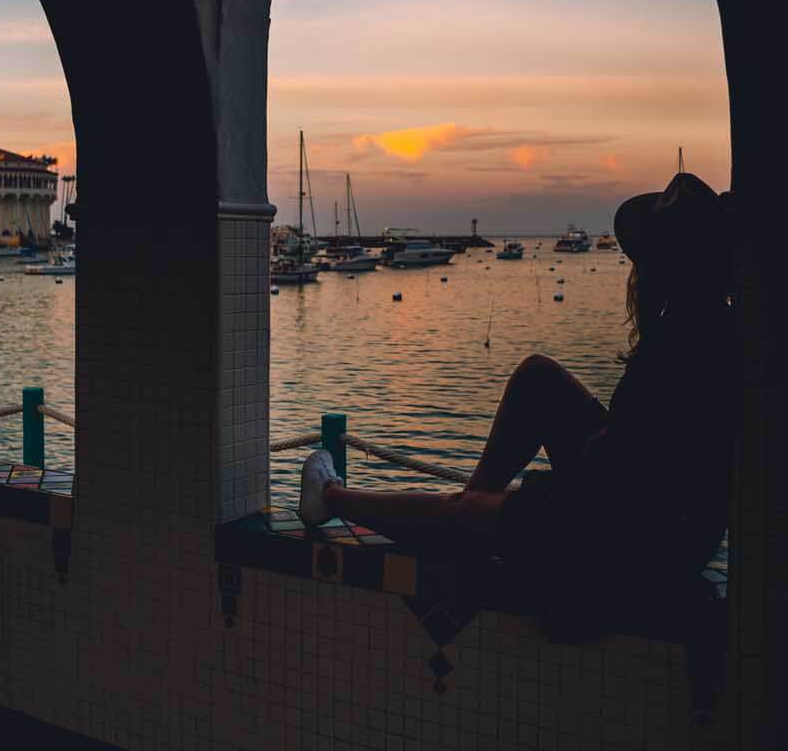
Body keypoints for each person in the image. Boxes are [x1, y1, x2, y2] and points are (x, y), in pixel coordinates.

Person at [296, 172, 739, 636]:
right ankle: (473, 513)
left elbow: (635, 477)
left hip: (629, 542)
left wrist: (542, 495)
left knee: (464, 515)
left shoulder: (683, 344)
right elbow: (635, 453)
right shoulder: (702, 324)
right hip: (636, 504)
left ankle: (332, 497)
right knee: (538, 377)